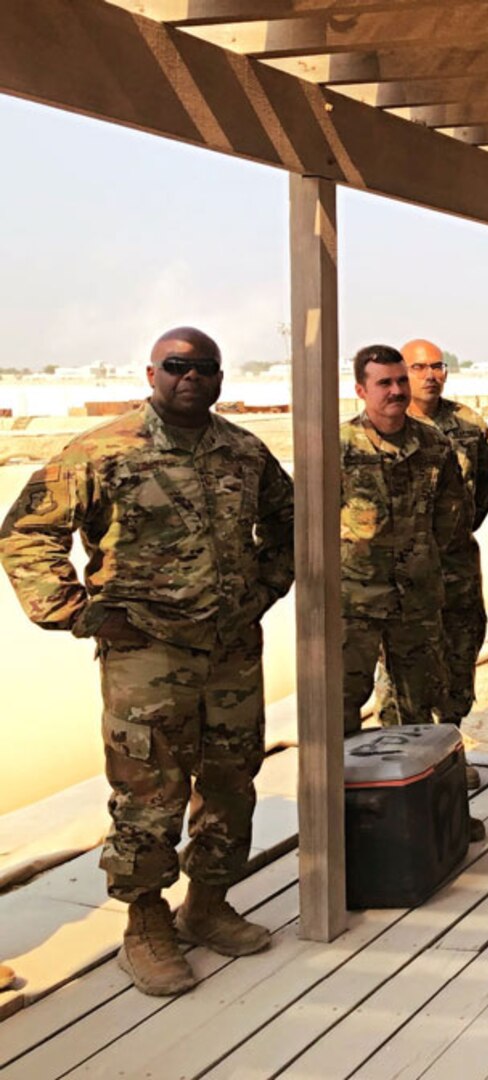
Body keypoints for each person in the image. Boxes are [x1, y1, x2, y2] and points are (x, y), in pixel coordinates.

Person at [0, 327, 294, 997]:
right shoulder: (105, 449)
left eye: (205, 367)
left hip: (230, 652)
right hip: (147, 654)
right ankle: (145, 925)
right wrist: (77, 612)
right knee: (149, 793)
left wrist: (264, 590)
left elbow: (289, 522)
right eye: (176, 366)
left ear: (220, 379)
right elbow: (25, 533)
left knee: (230, 779)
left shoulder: (243, 451)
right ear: (152, 374)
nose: (190, 376)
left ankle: (208, 903)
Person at [372, 338, 488, 788]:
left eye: (437, 366)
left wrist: (453, 534)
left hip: (457, 566)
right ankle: (402, 765)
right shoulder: (380, 429)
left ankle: (449, 754)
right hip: (401, 577)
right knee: (403, 676)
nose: (430, 375)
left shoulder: (468, 425)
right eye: (418, 367)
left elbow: (484, 489)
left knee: (459, 660)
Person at [338, 345, 470, 740]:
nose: (396, 391)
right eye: (383, 383)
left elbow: (451, 517)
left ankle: (413, 796)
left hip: (416, 601)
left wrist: (421, 559)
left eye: (400, 381)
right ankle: (345, 797)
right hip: (355, 603)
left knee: (418, 708)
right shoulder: (338, 446)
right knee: (341, 707)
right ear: (361, 390)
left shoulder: (433, 446)